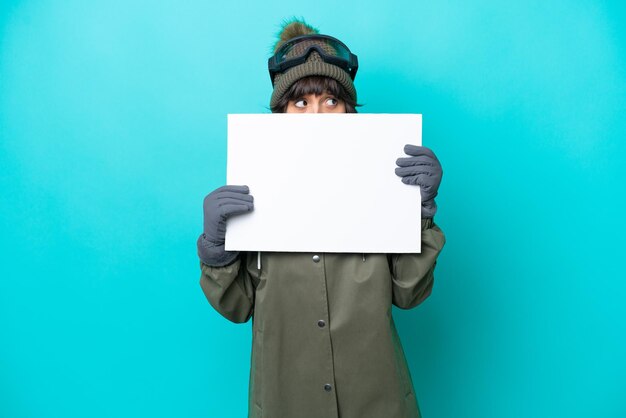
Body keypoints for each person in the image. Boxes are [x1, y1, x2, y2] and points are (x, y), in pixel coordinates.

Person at [197, 19, 445, 418]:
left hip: (377, 402)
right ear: (280, 112)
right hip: (285, 402)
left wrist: (420, 213)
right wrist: (216, 248)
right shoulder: (252, 188)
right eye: (301, 103)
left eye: (331, 101)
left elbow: (409, 294)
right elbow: (237, 306)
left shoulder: (384, 183)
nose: (317, 115)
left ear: (349, 111)